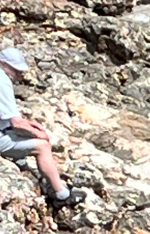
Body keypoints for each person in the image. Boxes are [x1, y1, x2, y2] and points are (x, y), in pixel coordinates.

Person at [0, 47, 86, 209]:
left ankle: (19, 158)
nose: (19, 74)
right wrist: (40, 134)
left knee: (26, 136)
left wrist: (32, 126)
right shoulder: (2, 82)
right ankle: (62, 194)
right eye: (16, 69)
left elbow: (9, 119)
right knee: (42, 146)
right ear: (3, 64)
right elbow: (16, 123)